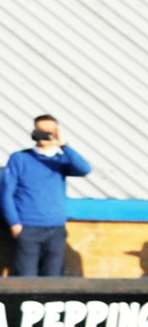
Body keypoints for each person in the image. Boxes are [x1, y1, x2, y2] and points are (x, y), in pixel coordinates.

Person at [2, 114, 91, 277]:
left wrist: (63, 144)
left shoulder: (61, 160)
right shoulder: (20, 158)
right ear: (34, 131)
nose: (44, 134)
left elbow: (84, 169)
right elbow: (7, 193)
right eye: (40, 130)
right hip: (27, 228)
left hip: (56, 229)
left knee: (53, 277)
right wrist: (14, 223)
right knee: (26, 277)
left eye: (49, 131)